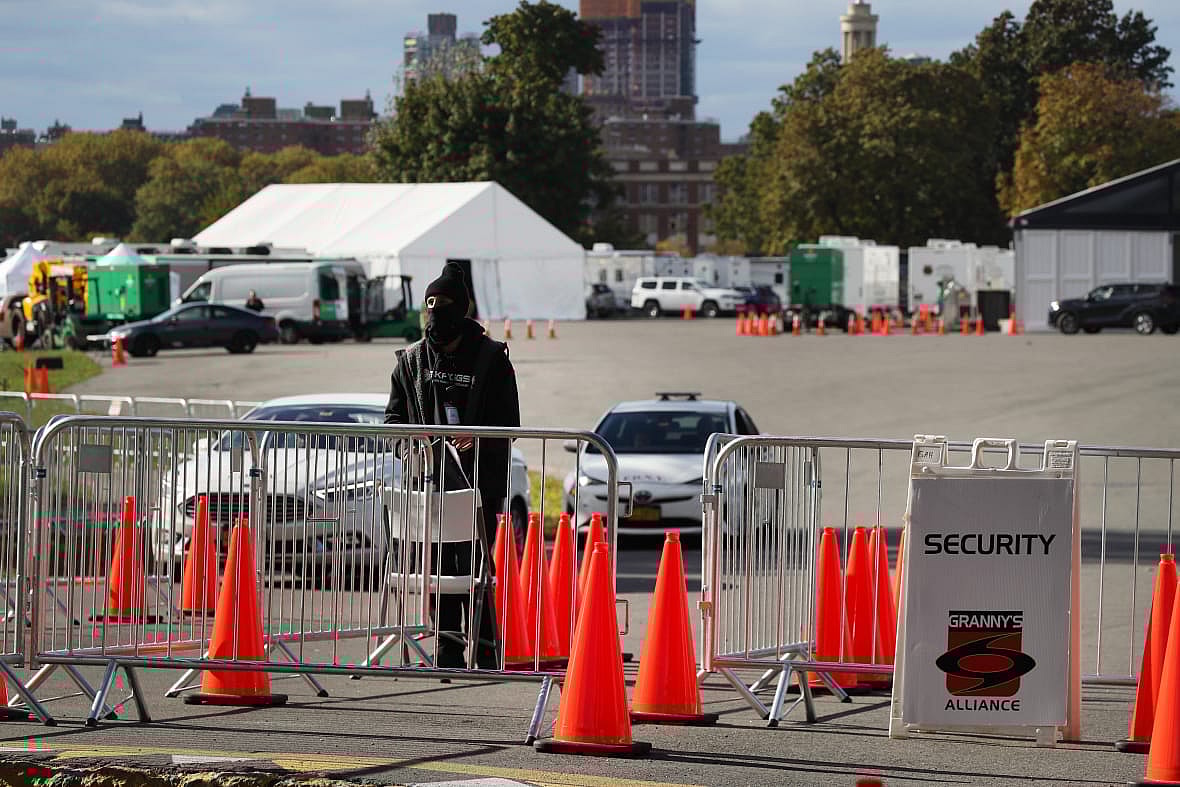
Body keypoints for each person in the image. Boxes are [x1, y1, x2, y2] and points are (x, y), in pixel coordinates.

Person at [384, 262, 520, 670]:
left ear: (461, 314)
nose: (435, 323)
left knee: (479, 565)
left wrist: (478, 435)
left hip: (481, 481)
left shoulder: (492, 358)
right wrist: (412, 437)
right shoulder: (411, 361)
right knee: (441, 567)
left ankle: (487, 650)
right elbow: (391, 421)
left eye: (443, 312)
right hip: (430, 481)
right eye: (430, 312)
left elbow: (511, 422)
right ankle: (447, 651)